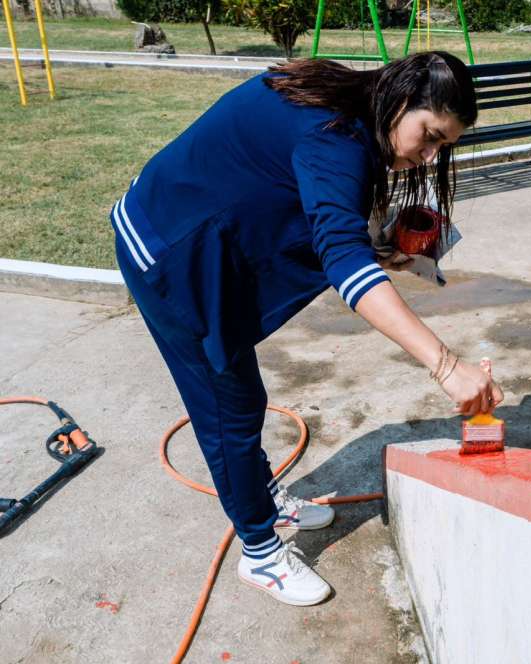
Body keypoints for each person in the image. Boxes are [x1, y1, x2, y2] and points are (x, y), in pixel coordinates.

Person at [110, 51, 503, 606]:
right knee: (228, 409)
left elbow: (314, 206)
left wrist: (374, 248)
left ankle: (264, 499)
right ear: (401, 100)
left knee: (243, 397)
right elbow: (341, 257)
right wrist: (445, 364)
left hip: (188, 223)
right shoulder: (335, 138)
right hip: (167, 252)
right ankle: (260, 551)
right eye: (430, 136)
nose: (429, 156)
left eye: (444, 147)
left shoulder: (347, 100)